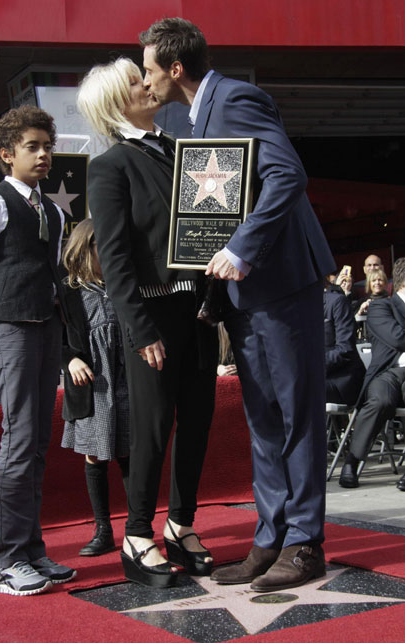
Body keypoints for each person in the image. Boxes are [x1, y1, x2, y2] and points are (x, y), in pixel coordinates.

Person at [140, 17, 336, 592]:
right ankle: (272, 537)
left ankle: (304, 543)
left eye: (149, 69)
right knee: (263, 421)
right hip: (245, 296)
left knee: (295, 415)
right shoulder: (197, 111)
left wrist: (241, 247)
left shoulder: (232, 99)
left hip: (279, 285)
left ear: (175, 67)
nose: (145, 81)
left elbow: (286, 174)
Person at [77, 59, 217, 588]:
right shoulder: (110, 165)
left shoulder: (185, 152)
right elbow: (113, 259)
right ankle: (138, 536)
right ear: (117, 102)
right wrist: (139, 329)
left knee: (198, 422)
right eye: (136, 82)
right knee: (154, 429)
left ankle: (181, 524)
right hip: (152, 316)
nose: (147, 84)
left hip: (200, 309)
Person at [0, 105, 76, 596]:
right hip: (11, 328)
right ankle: (5, 562)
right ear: (7, 154)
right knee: (19, 440)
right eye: (33, 146)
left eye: (48, 146)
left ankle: (30, 551)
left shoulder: (54, 211)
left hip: (46, 329)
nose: (45, 154)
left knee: (36, 444)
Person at [61, 218, 130, 556]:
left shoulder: (125, 283)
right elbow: (52, 336)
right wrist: (70, 359)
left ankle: (137, 527)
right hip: (92, 386)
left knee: (130, 452)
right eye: (104, 245)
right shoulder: (68, 289)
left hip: (128, 383)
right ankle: (103, 529)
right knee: (95, 456)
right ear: (86, 249)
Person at [339, 258, 405, 489]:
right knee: (380, 401)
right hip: (388, 372)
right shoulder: (381, 306)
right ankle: (352, 461)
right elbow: (398, 338)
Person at [324, 279, 365, 406]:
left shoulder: (337, 302)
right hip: (315, 377)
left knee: (300, 389)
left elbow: (345, 349)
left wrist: (312, 367)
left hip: (341, 379)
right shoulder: (298, 310)